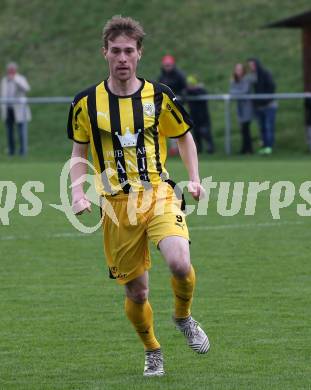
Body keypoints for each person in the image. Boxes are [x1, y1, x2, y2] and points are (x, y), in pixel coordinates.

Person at [67, 16, 210, 377]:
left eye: (129, 51)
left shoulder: (159, 95)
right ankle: (152, 350)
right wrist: (78, 194)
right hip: (117, 206)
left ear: (139, 53)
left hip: (158, 193)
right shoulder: (86, 102)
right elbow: (78, 154)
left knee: (179, 261)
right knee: (137, 294)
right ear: (105, 53)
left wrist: (194, 179)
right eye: (115, 51)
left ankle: (183, 317)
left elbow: (184, 136)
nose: (122, 58)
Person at [158, 54, 187, 156]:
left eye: (169, 65)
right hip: (165, 107)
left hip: (177, 105)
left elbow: (184, 89)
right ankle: (173, 149)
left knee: (180, 126)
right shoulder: (162, 76)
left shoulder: (179, 75)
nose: (167, 67)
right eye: (166, 65)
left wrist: (180, 98)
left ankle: (182, 148)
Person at [247, 58, 277, 155]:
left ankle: (269, 147)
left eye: (252, 65)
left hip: (269, 105)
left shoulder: (265, 74)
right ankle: (264, 146)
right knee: (262, 128)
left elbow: (272, 87)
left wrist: (265, 100)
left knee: (269, 127)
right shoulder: (252, 76)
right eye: (249, 65)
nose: (251, 67)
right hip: (259, 107)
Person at [0, 62, 31, 156]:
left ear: (15, 70)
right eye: (9, 70)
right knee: (9, 132)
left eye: (12, 70)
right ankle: (11, 151)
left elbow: (26, 88)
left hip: (19, 109)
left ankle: (23, 152)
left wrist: (15, 80)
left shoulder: (20, 79)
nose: (10, 72)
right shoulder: (4, 80)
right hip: (8, 109)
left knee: (21, 131)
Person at [186, 74, 214, 154]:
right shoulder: (188, 92)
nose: (190, 86)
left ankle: (211, 149)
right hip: (194, 116)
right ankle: (199, 150)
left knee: (205, 133)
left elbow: (202, 96)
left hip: (203, 116)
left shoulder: (201, 91)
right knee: (196, 133)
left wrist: (193, 90)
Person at [229, 64, 254, 154]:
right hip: (240, 108)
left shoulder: (246, 80)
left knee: (246, 128)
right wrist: (237, 93)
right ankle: (245, 149)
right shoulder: (234, 81)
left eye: (240, 69)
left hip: (247, 107)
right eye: (236, 69)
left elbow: (244, 91)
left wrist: (236, 92)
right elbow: (231, 91)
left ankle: (248, 149)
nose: (238, 71)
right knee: (243, 129)